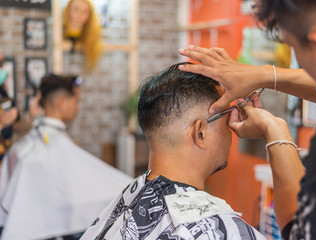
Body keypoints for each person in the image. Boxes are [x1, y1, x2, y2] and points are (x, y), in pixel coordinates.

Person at [179, 0, 316, 239]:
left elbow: (299, 232)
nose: (301, 63)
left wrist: (275, 131)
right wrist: (264, 75)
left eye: (294, 48)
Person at [80, 63, 265, 240]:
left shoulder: (130, 198)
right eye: (226, 117)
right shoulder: (219, 231)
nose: (231, 129)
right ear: (200, 132)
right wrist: (275, 132)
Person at [0, 74, 133, 240]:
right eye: (76, 101)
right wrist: (130, 189)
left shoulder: (26, 145)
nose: (77, 108)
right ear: (61, 101)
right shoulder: (53, 144)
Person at [63, 0, 102, 69]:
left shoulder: (92, 37)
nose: (80, 14)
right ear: (68, 10)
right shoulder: (59, 33)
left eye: (85, 11)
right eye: (76, 9)